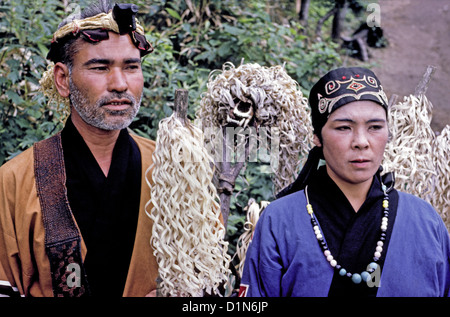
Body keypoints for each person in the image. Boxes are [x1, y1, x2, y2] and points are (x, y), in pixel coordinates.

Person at [239, 67, 450, 297]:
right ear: (317, 137)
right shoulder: (279, 221)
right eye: (344, 128)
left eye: (375, 127)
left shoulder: (426, 221)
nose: (361, 142)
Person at [0, 1, 158, 297]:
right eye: (100, 67)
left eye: (131, 67)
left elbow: (204, 281)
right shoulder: (12, 183)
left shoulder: (172, 170)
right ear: (63, 79)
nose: (120, 84)